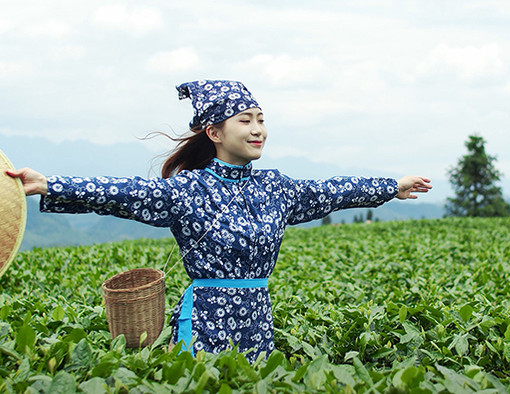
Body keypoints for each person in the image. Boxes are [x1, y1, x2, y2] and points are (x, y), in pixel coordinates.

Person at [6, 79, 432, 361]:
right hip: (204, 322)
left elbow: (331, 191)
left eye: (261, 120)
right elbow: (123, 193)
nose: (258, 129)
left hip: (258, 321)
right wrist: (50, 184)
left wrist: (390, 187)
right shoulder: (189, 190)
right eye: (245, 120)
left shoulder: (277, 188)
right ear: (214, 133)